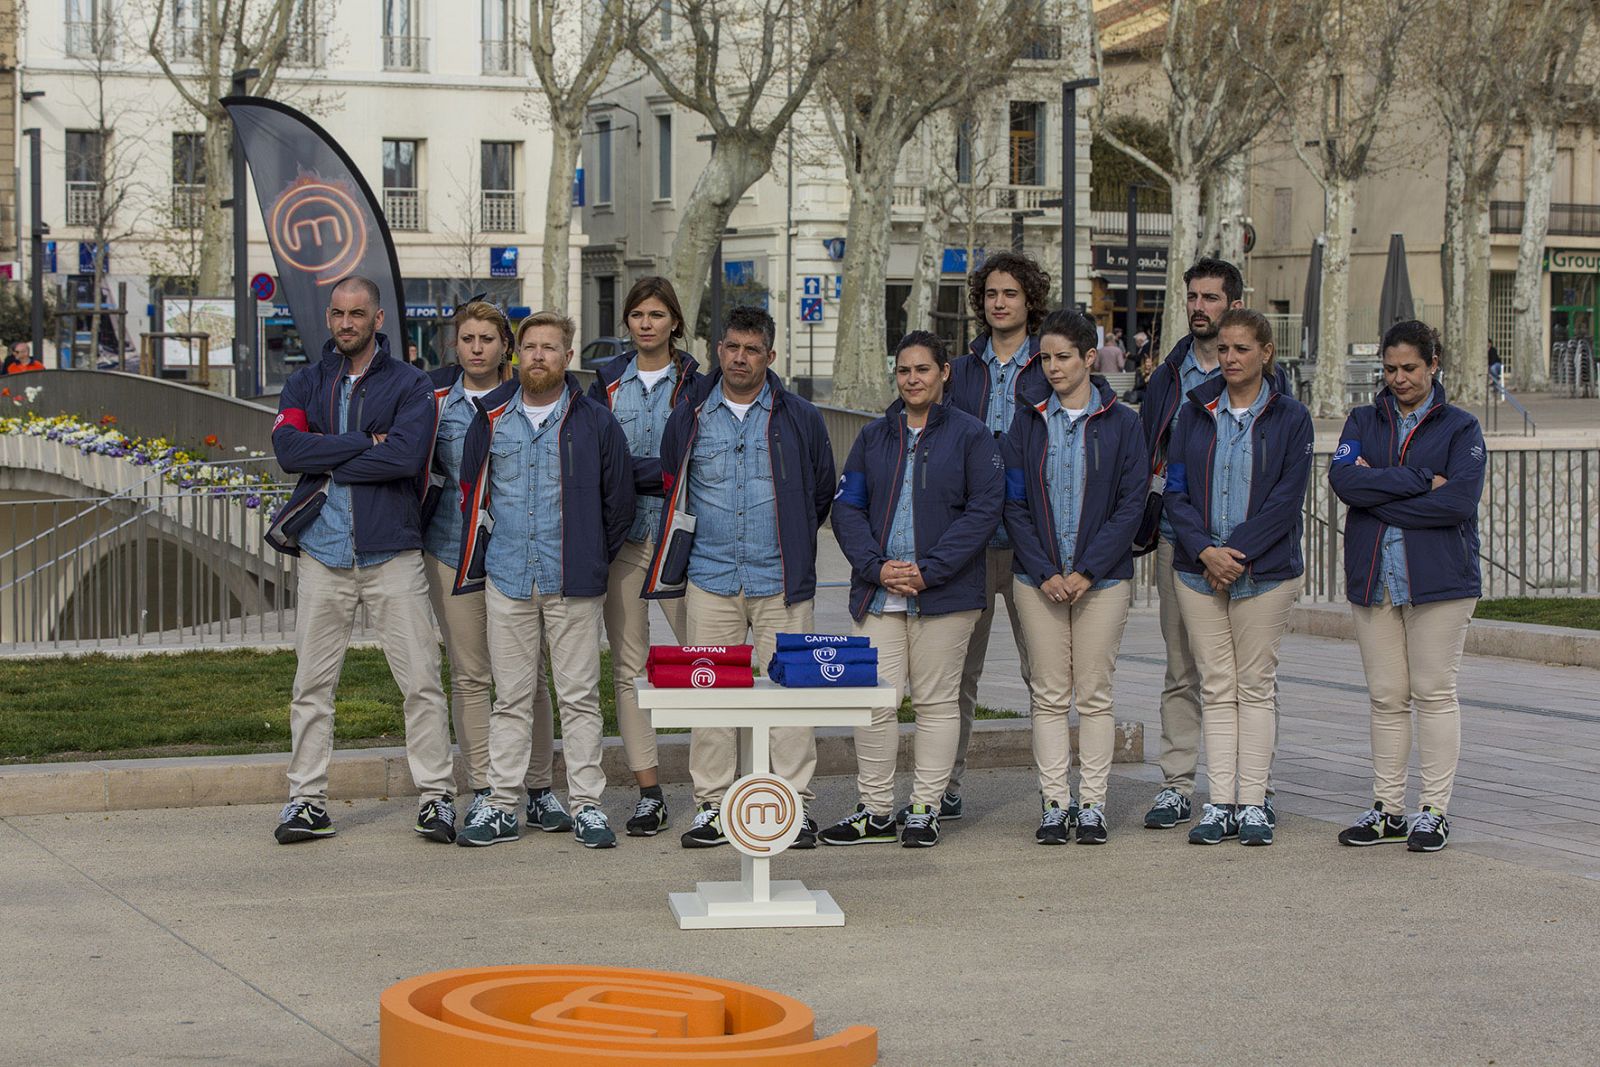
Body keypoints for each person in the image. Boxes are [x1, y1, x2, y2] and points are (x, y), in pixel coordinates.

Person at [265, 275, 458, 845]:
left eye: (357, 313)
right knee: (311, 686)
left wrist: (332, 455)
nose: (346, 323)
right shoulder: (305, 381)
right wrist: (364, 443)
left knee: (422, 681)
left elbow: (405, 456)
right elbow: (287, 451)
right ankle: (306, 801)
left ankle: (436, 797)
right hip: (323, 554)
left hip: (391, 555)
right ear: (329, 319)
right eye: (337, 313)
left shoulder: (410, 383)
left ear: (378, 320)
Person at [641, 305, 836, 850]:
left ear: (771, 356)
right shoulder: (691, 416)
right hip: (710, 578)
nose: (740, 358)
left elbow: (822, 490)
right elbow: (671, 479)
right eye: (731, 347)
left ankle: (792, 806)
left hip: (781, 581)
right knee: (711, 701)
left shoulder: (800, 416)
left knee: (793, 698)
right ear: (717, 351)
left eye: (752, 349)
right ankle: (713, 807)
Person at [451, 311, 634, 848]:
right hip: (507, 579)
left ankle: (587, 807)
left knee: (578, 697)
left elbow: (618, 502)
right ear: (517, 354)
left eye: (549, 348)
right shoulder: (492, 419)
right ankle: (503, 804)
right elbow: (473, 494)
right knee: (510, 697)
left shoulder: (595, 421)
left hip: (572, 582)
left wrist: (592, 557)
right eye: (529, 347)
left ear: (566, 357)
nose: (537, 356)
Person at [825, 332, 1002, 849]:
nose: (913, 379)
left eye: (923, 369)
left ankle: (925, 807)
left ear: (944, 373)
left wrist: (932, 569)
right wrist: (876, 568)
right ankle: (876, 809)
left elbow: (984, 511)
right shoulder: (874, 436)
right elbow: (847, 507)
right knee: (875, 701)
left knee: (936, 702)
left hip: (944, 594)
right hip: (880, 591)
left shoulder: (971, 436)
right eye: (904, 370)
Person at [1330, 320, 1485, 853]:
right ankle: (1387, 808)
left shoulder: (1461, 428)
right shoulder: (1361, 419)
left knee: (1434, 694)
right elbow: (1344, 481)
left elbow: (1459, 504)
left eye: (1410, 368)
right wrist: (1420, 478)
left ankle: (1433, 810)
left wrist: (1378, 497)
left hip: (1440, 582)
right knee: (1386, 697)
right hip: (1374, 580)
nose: (1399, 379)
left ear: (1433, 364)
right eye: (1391, 369)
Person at [1164, 308, 1312, 847]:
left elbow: (1285, 501)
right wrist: (1205, 550)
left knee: (1254, 685)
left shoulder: (1291, 417)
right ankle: (1219, 801)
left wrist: (1237, 553)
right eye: (1223, 349)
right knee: (1216, 685)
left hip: (1265, 573)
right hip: (1198, 572)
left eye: (1241, 349)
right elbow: (1174, 490)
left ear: (1266, 353)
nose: (1229, 358)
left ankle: (1253, 801)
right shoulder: (1194, 410)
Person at [420, 301, 569, 835]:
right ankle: (486, 787)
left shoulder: (523, 397)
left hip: (517, 555)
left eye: (488, 338)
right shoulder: (434, 398)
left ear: (506, 346)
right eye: (467, 338)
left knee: (528, 678)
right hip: (451, 551)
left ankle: (538, 787)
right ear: (455, 345)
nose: (477, 348)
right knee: (470, 674)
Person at [1003, 309, 1148, 845]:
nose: (1053, 367)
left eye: (1064, 356)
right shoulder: (1026, 420)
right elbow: (1013, 503)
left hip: (1103, 581)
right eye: (1045, 357)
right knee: (1047, 693)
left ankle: (1092, 804)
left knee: (1094, 693)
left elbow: (1130, 506)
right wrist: (1045, 571)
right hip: (1037, 579)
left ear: (1091, 357)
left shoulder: (1124, 423)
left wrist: (1086, 570)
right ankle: (1054, 803)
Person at [939, 250, 1051, 821]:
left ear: (1030, 299)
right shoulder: (958, 372)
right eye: (990, 295)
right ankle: (945, 782)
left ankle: (1054, 791)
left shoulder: (1052, 363)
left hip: (1035, 545)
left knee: (1045, 675)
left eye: (1010, 293)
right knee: (959, 672)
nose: (1000, 303)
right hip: (972, 546)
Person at [588, 276, 702, 837]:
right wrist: (652, 473)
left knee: (708, 664)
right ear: (628, 323)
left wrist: (644, 471)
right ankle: (649, 791)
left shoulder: (698, 382)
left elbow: (694, 462)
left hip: (685, 542)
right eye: (638, 314)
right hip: (625, 540)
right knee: (629, 668)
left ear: (674, 321)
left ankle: (715, 790)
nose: (647, 323)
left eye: (658, 314)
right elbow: (596, 459)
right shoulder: (605, 383)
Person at [1137, 258, 1244, 831]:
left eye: (1211, 297)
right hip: (1179, 541)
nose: (1199, 306)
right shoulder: (1168, 373)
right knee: (1182, 670)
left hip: (1248, 549)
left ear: (1233, 303)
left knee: (1247, 677)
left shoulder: (1258, 367)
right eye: (1192, 297)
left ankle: (1252, 788)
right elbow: (1153, 459)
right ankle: (1177, 784)